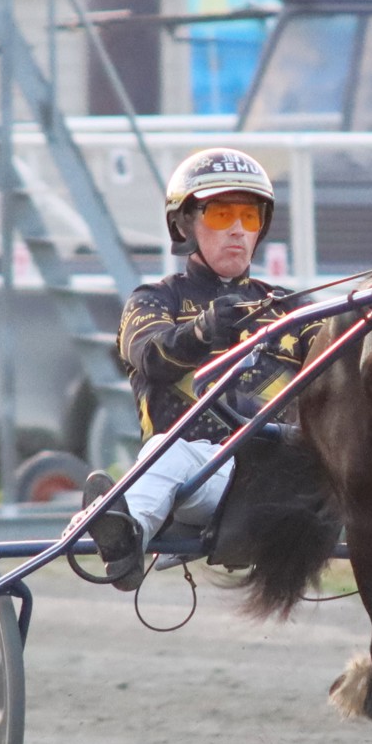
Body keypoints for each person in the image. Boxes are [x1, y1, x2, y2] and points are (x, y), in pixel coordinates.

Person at [83, 147, 323, 590]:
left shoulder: (295, 309)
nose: (236, 230)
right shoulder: (155, 300)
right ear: (185, 224)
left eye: (249, 217)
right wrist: (202, 332)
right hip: (205, 478)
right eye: (221, 214)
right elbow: (149, 356)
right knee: (166, 450)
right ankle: (124, 536)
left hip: (293, 481)